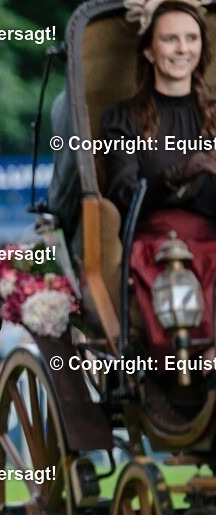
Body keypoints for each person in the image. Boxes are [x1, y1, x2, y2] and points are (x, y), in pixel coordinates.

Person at [99, 0, 216, 351]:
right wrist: (184, 173)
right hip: (157, 245)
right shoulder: (123, 119)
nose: (183, 49)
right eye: (171, 39)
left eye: (191, 38)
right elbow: (123, 194)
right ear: (150, 51)